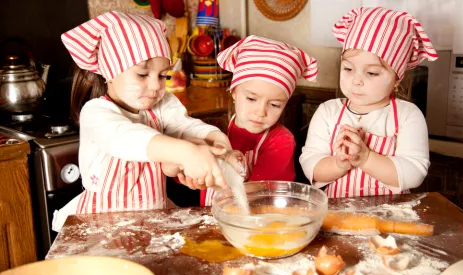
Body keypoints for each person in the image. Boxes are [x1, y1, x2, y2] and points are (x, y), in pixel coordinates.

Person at [52, 11, 230, 231]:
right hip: (102, 228)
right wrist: (186, 152)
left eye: (163, 75)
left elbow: (185, 126)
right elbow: (125, 139)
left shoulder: (163, 105)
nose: (156, 85)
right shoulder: (96, 113)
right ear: (110, 72)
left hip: (152, 221)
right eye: (143, 74)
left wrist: (217, 141)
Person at [300, 7, 437, 198]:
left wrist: (365, 158)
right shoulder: (327, 112)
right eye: (348, 69)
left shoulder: (408, 116)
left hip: (391, 216)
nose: (356, 80)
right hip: (337, 215)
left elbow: (415, 172)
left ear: (397, 78)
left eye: (371, 73)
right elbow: (310, 166)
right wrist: (339, 164)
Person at [200, 35, 318, 206]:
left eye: (275, 104)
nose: (261, 112)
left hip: (259, 223)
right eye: (252, 99)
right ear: (234, 92)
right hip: (208, 219)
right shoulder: (214, 129)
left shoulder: (281, 141)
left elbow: (259, 188)